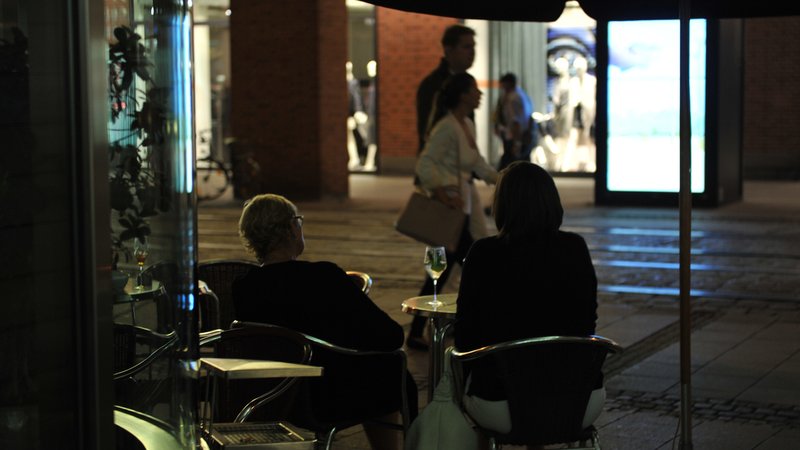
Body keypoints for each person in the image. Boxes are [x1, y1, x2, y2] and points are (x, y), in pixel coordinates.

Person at [232, 193, 417, 450]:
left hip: (268, 395)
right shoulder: (323, 277)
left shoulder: (243, 288)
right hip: (327, 395)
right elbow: (390, 335)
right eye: (298, 221)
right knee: (391, 367)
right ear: (289, 230)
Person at [452, 161, 602, 437]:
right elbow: (587, 320)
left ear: (503, 205)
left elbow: (466, 335)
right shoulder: (575, 248)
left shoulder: (484, 254)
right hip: (579, 400)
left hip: (500, 401)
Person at [407, 73, 499, 350]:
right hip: (448, 210)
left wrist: (504, 178)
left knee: (439, 271)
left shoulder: (466, 124)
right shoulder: (447, 126)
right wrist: (440, 192)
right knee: (469, 264)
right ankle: (460, 324)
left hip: (461, 210)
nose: (479, 94)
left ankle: (422, 329)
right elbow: (424, 165)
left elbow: (479, 165)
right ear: (462, 95)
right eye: (474, 90)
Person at [416, 24, 476, 155]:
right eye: (466, 47)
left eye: (473, 46)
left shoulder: (468, 81)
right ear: (449, 50)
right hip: (439, 167)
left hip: (461, 167)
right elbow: (427, 131)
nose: (472, 52)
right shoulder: (434, 84)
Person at [493, 72, 535, 171]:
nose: (501, 86)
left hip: (514, 135)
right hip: (521, 133)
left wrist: (517, 141)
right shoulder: (521, 94)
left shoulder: (512, 98)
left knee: (511, 163)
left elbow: (515, 121)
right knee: (522, 162)